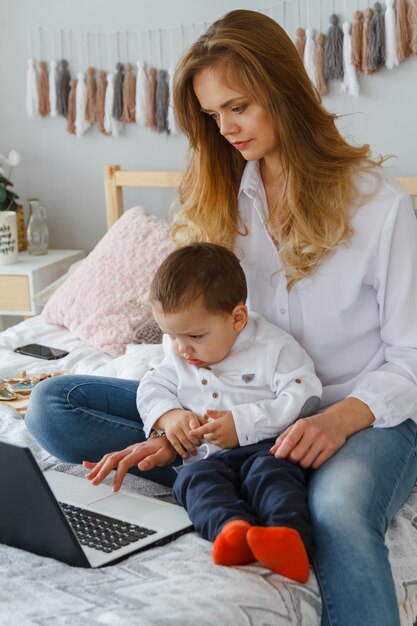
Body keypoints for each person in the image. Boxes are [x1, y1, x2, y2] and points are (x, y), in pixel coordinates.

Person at [24, 9, 417, 626]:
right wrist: (170, 416)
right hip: (235, 406)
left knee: (337, 510)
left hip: (358, 414)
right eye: (212, 115)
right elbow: (188, 336)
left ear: (283, 91)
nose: (226, 127)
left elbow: (410, 357)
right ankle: (231, 467)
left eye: (238, 106)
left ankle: (237, 475)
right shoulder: (221, 196)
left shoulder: (381, 206)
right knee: (52, 405)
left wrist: (339, 421)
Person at [136, 242, 321, 581]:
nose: (182, 348)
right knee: (192, 481)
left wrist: (244, 423)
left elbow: (305, 395)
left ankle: (288, 538)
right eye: (172, 336)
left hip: (266, 448)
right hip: (207, 457)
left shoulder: (273, 347)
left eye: (194, 336)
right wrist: (169, 416)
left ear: (237, 318)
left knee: (273, 478)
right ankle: (232, 531)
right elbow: (151, 385)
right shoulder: (178, 349)